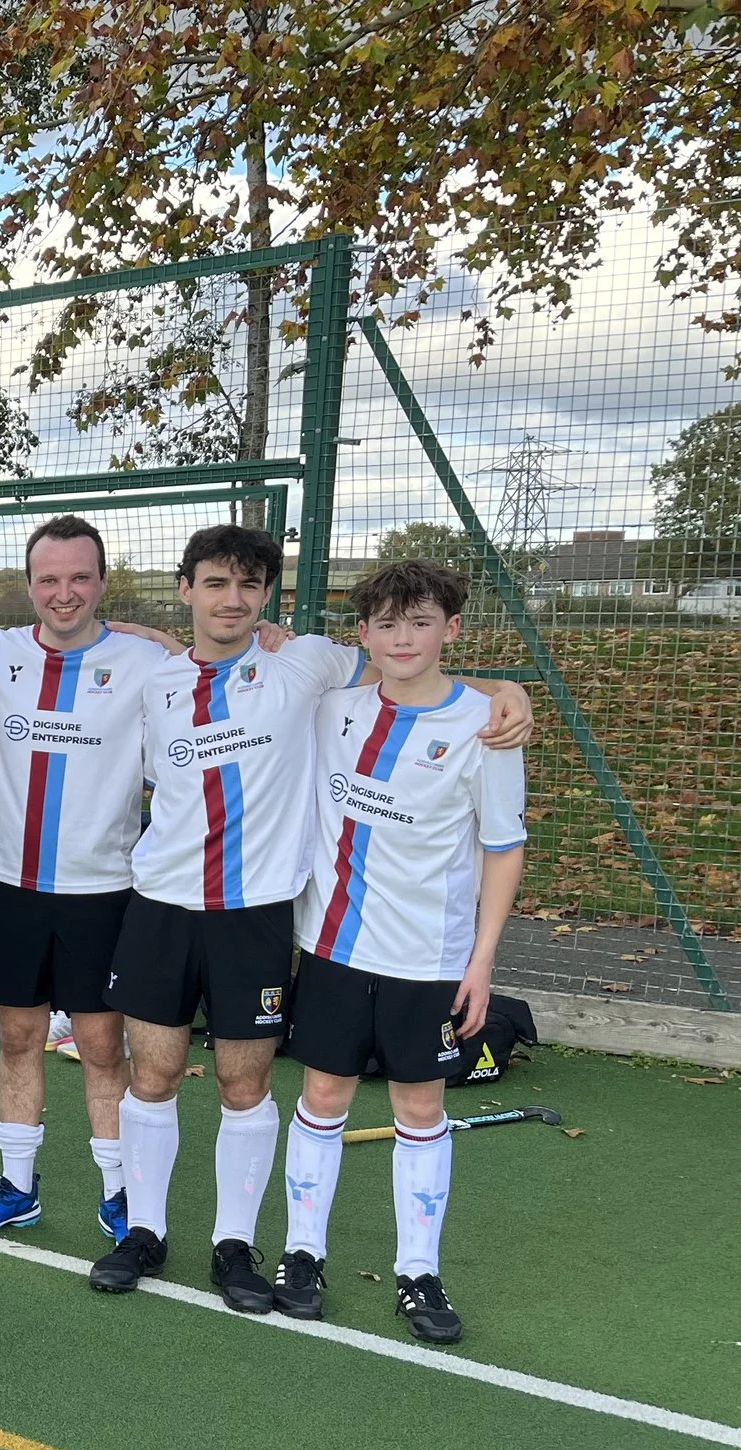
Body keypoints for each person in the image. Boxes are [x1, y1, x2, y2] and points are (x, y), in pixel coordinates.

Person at [88, 524, 532, 1310]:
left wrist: (510, 692)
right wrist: (129, 625)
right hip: (159, 903)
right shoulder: (152, 680)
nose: (233, 599)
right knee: (151, 1072)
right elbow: (96, 632)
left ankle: (235, 1244)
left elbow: (411, 667)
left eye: (249, 585)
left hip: (258, 914)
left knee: (243, 1080)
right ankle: (143, 1233)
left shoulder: (309, 666)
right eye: (215, 583)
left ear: (268, 597)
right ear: (185, 588)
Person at [276, 562, 527, 1342]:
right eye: (386, 624)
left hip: (431, 958)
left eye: (420, 622)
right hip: (333, 946)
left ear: (452, 629)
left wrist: (481, 962)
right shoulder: (330, 708)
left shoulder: (487, 729)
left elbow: (503, 847)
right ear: (364, 636)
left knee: (422, 1108)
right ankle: (301, 1254)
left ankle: (418, 1272)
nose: (403, 638)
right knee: (323, 1096)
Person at [0, 516, 173, 1244]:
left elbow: (216, 663)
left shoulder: (143, 664)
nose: (64, 592)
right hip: (8, 887)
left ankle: (119, 1193)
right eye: (49, 579)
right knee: (18, 1037)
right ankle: (17, 1187)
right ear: (29, 585)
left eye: (80, 577)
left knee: (103, 1045)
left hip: (102, 890)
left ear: (104, 582)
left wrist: (159, 636)